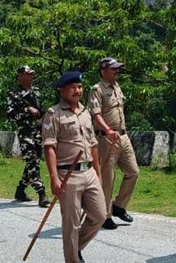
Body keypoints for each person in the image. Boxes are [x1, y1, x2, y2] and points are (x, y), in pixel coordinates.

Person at [42, 70, 106, 263]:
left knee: (100, 215)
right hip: (67, 174)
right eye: (72, 88)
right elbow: (50, 148)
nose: (77, 91)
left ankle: (75, 248)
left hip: (89, 172)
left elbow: (93, 145)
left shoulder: (86, 113)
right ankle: (72, 259)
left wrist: (98, 172)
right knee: (71, 224)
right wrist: (54, 177)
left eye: (79, 87)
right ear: (62, 90)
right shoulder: (53, 114)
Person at [87, 57, 139, 230]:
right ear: (103, 71)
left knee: (133, 172)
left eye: (118, 68)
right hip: (106, 138)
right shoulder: (97, 89)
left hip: (123, 136)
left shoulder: (117, 86)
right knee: (107, 178)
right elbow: (96, 114)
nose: (118, 71)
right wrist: (107, 129)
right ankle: (105, 215)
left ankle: (119, 206)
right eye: (114, 68)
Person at [7, 65, 50, 207]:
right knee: (32, 161)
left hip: (38, 131)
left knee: (34, 162)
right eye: (27, 74)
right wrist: (26, 110)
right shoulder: (14, 93)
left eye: (32, 74)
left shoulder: (36, 92)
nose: (31, 77)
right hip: (25, 132)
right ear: (20, 76)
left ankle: (20, 190)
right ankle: (41, 193)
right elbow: (11, 114)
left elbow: (41, 110)